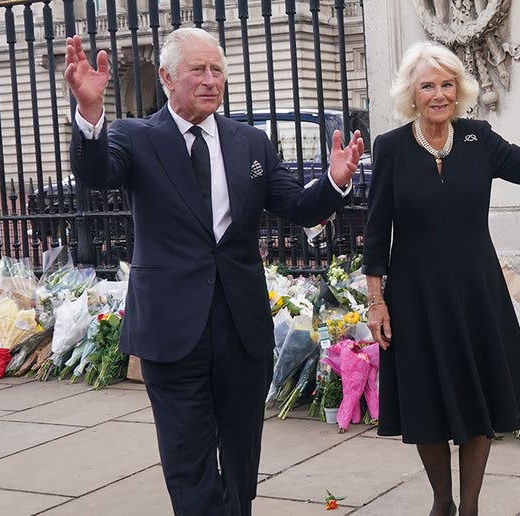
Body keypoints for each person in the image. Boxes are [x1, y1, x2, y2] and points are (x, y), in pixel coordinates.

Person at [64, 28, 363, 516]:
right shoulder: (135, 137)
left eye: (217, 69)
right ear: (166, 77)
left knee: (243, 458)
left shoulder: (250, 143)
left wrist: (334, 180)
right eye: (197, 70)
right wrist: (91, 115)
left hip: (240, 327)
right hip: (171, 328)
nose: (210, 80)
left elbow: (298, 206)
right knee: (188, 461)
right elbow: (96, 173)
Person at [362, 41, 520, 516]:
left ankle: (468, 508)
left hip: (475, 291)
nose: (439, 94)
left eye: (447, 84)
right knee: (427, 400)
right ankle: (442, 503)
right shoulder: (391, 148)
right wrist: (376, 300)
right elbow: (375, 228)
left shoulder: (477, 138)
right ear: (412, 92)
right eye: (428, 85)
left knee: (477, 399)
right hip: (415, 295)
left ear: (459, 90)